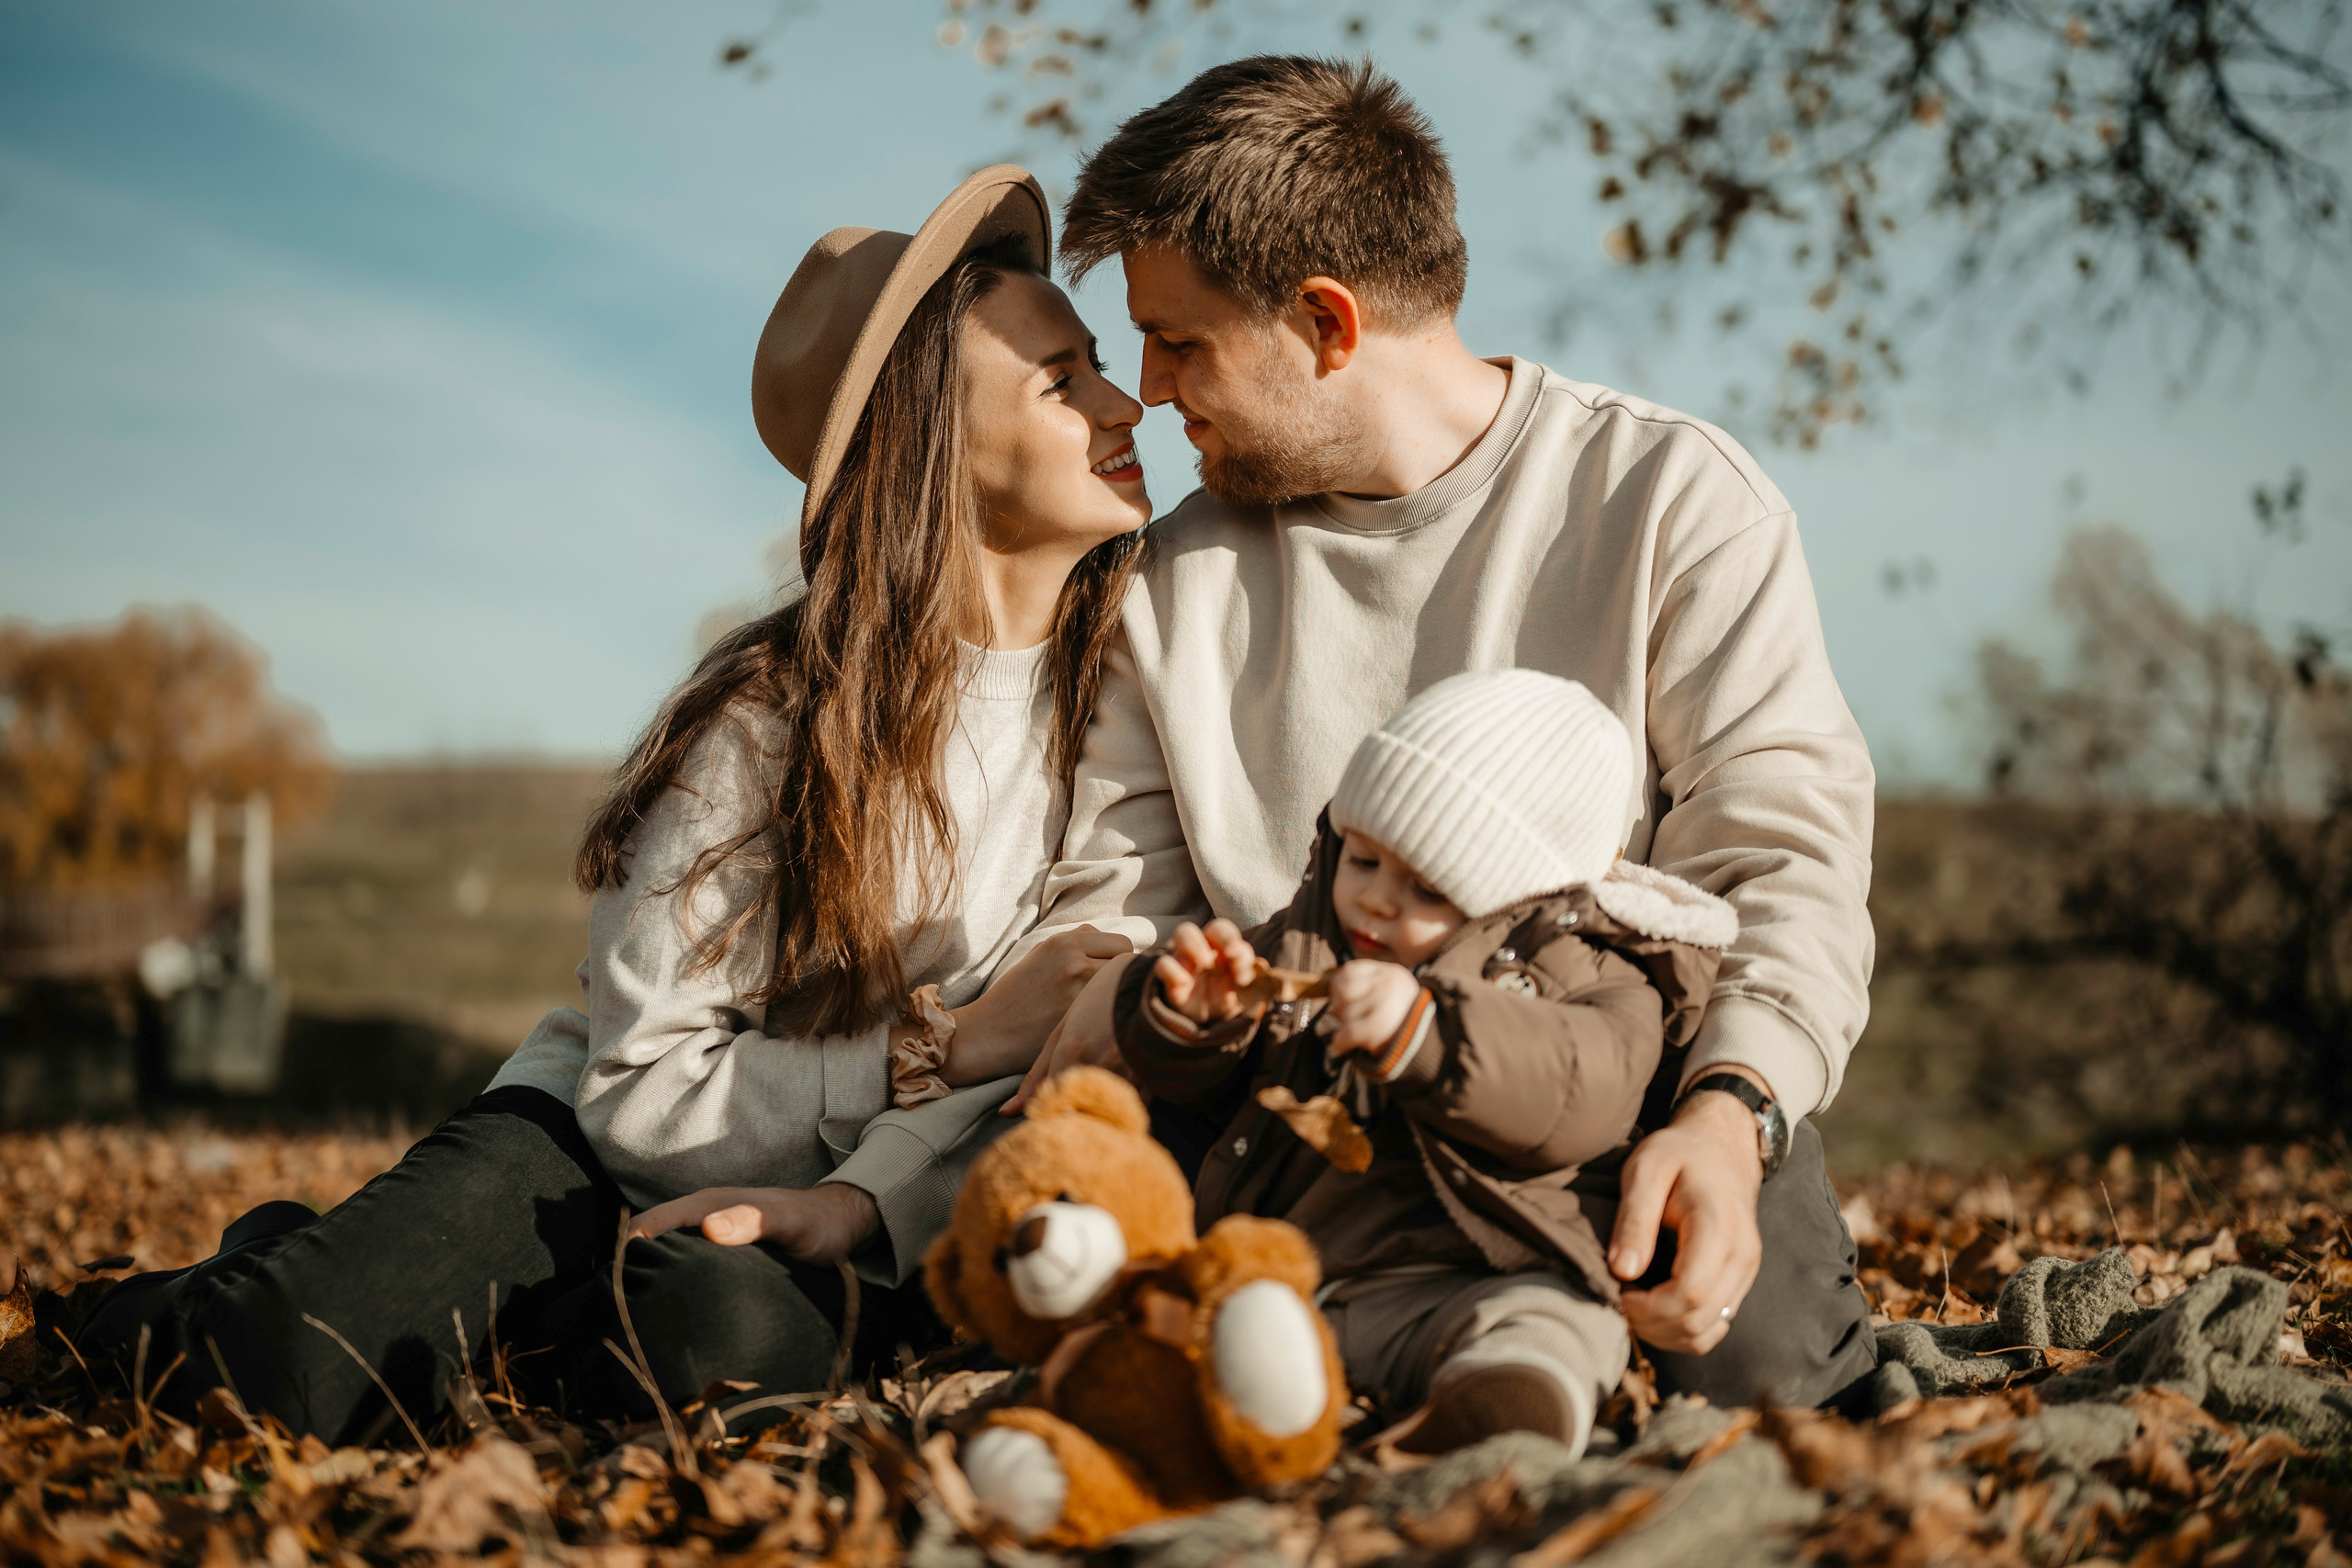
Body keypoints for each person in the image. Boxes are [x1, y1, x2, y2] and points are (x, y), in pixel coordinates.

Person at [80, 166, 1148, 1442]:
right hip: (589, 1153)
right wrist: (946, 1042)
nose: (1126, 400)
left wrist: (878, 1179)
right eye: (1062, 377)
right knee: (270, 1371)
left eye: (1099, 363)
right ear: (935, 443)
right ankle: (262, 1283)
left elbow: (1066, 1035)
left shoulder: (1126, 694)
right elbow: (641, 1096)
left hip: (861, 1203)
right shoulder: (771, 722)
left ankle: (451, 1312)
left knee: (713, 1347)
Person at [1007, 57, 1882, 1411]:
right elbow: (1117, 898)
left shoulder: (1668, 500)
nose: (1152, 388)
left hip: (1600, 1097)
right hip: (1281, 1116)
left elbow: (1784, 861)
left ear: (1327, 321)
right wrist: (1151, 996)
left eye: (1180, 340)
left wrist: (1731, 1109)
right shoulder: (1164, 582)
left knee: (1761, 1381)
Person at [1120, 670, 1740, 1456]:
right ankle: (1253, 1406)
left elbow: (1578, 1089)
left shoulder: (1591, 974)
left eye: (1424, 886)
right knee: (1211, 1321)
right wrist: (1190, 1018)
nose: (1377, 900)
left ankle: (1503, 1410)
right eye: (1364, 859)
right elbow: (1196, 1082)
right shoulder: (1310, 940)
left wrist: (1430, 1032)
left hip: (1479, 1271)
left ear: (1513, 899)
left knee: (1552, 1324)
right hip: (1313, 1271)